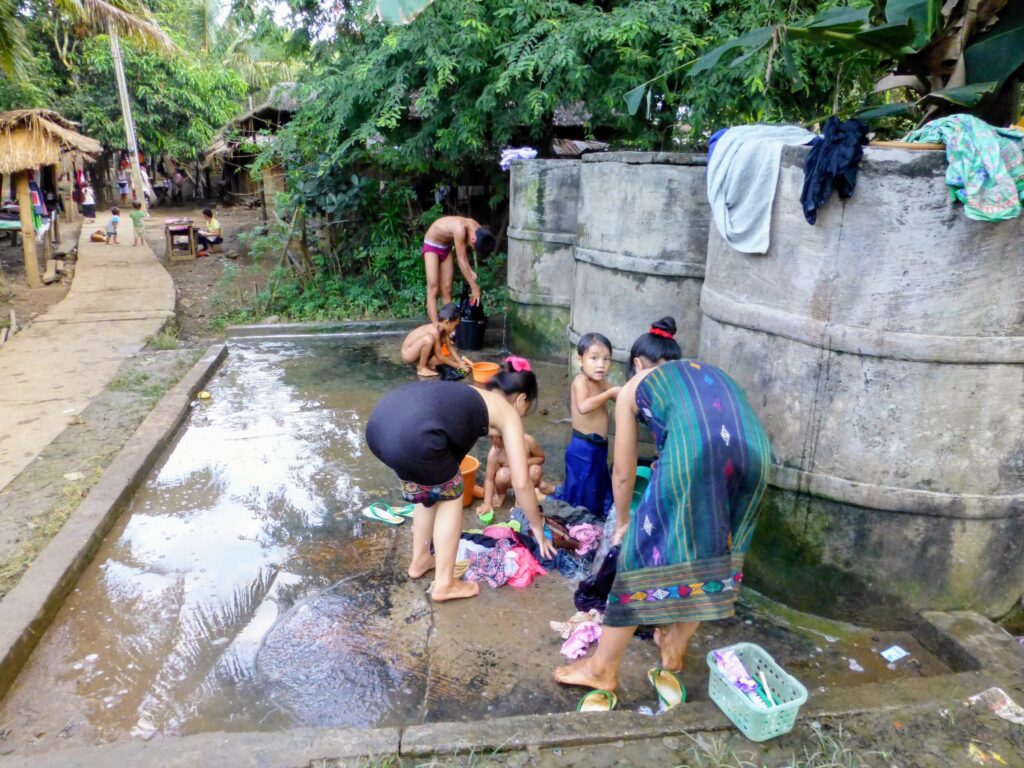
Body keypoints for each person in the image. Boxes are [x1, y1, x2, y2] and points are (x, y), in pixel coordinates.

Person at [554, 317, 771, 701]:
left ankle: (601, 670)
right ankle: (673, 646)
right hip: (757, 453)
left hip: (698, 452)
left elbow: (623, 473)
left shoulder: (635, 387)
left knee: (637, 558)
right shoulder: (705, 372)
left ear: (637, 365)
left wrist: (623, 522)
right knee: (717, 551)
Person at [366, 358, 558, 602]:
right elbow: (521, 483)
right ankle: (445, 584)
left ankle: (421, 559)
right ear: (521, 400)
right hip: (414, 436)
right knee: (450, 493)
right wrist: (538, 528)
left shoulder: (472, 396)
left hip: (381, 428)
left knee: (426, 489)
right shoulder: (509, 414)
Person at [549, 333, 620, 518]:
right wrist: (609, 394)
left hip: (599, 446)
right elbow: (583, 406)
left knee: (596, 484)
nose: (601, 365)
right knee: (581, 489)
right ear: (580, 359)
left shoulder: (601, 381)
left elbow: (618, 394)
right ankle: (577, 518)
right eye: (594, 358)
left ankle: (595, 514)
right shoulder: (580, 382)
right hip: (583, 447)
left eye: (606, 359)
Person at [421, 215, 496, 324]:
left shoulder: (478, 229)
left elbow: (463, 255)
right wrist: (474, 287)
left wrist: (470, 271)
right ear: (474, 239)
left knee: (447, 288)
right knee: (433, 288)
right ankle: (436, 327)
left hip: (445, 246)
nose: (472, 248)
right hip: (432, 245)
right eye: (473, 247)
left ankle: (448, 325)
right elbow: (461, 261)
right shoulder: (460, 229)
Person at [476, 431, 554, 523]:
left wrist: (524, 463)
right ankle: (501, 494)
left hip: (527, 476)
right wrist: (487, 503)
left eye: (499, 438)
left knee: (535, 470)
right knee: (502, 475)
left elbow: (541, 458)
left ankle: (527, 494)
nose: (495, 441)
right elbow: (489, 479)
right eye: (491, 438)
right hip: (510, 477)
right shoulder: (495, 452)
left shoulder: (527, 441)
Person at [400, 303, 471, 377]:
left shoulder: (443, 329)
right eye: (455, 325)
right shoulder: (435, 331)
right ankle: (421, 368)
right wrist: (458, 366)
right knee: (428, 340)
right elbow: (439, 355)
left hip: (415, 351)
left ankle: (423, 364)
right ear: (447, 322)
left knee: (448, 352)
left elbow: (450, 347)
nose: (455, 328)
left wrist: (460, 362)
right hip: (408, 354)